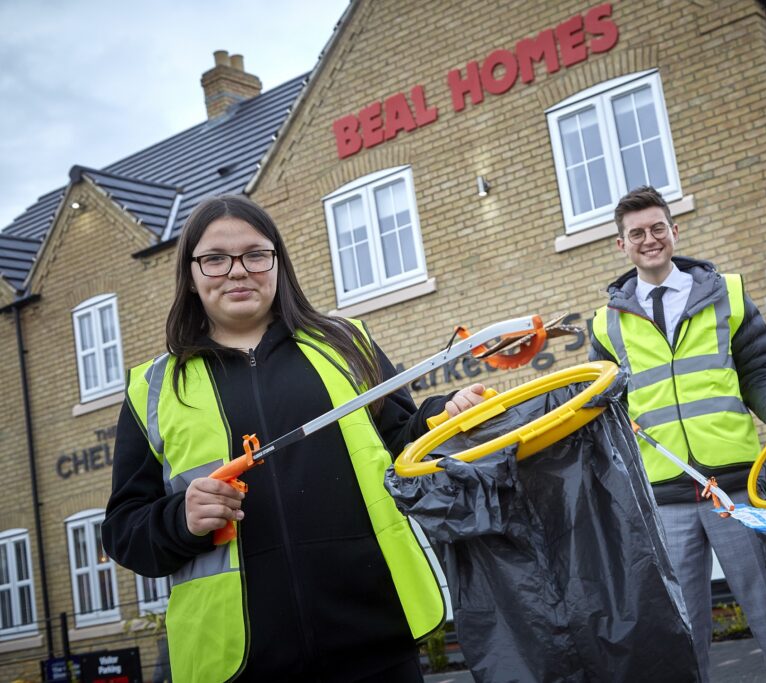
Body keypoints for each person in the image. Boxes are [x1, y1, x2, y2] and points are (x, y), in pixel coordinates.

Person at [102, 194, 486, 682]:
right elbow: (123, 531)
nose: (237, 271)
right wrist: (180, 519)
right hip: (237, 663)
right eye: (216, 259)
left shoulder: (346, 344)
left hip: (377, 640)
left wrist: (443, 415)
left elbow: (403, 439)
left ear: (278, 263)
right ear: (192, 275)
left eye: (255, 254)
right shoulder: (153, 389)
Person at [589, 186, 766, 683]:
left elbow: (759, 368)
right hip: (665, 498)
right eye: (637, 233)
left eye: (657, 228)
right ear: (621, 245)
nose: (650, 239)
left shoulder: (726, 294)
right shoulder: (605, 324)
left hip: (734, 489)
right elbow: (603, 407)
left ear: (674, 231)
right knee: (684, 630)